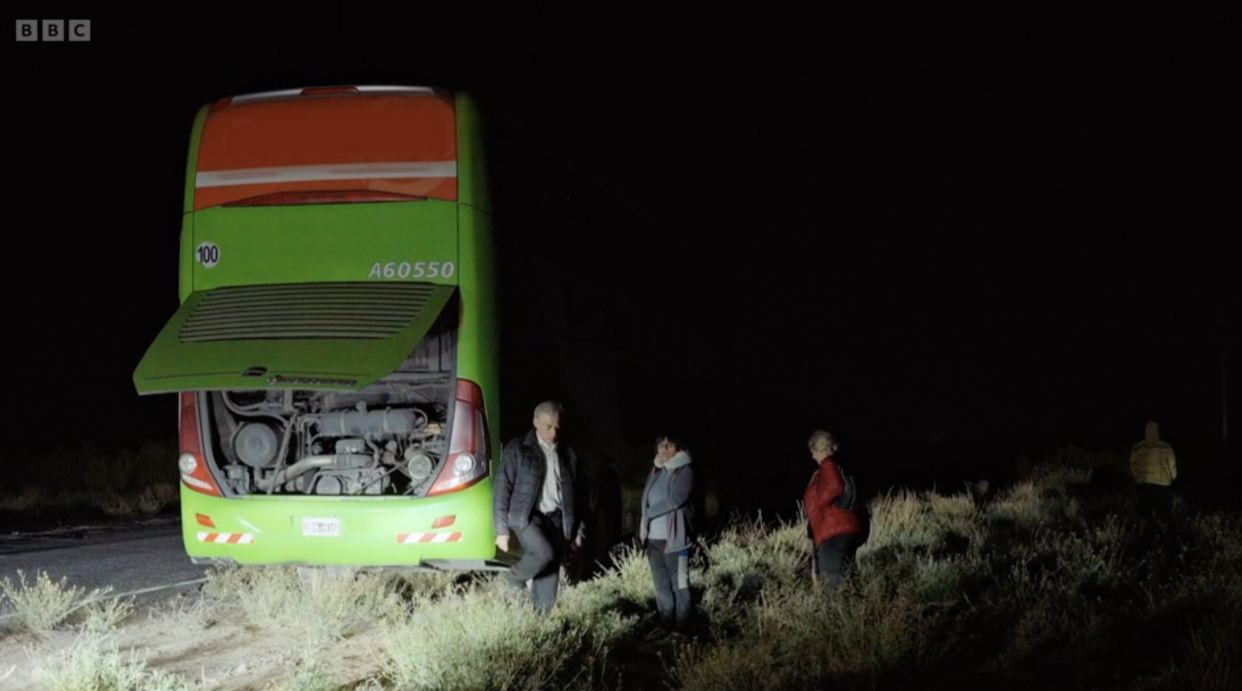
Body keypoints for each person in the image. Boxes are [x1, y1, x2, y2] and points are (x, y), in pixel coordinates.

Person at [492, 401, 588, 613]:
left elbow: (578, 496)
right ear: (536, 422)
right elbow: (501, 489)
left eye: (557, 427)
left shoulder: (567, 454)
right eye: (548, 426)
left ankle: (540, 623)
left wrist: (577, 531)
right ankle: (514, 578)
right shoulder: (518, 450)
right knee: (543, 552)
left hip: (556, 518)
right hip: (527, 517)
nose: (554, 432)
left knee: (550, 577)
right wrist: (501, 530)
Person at [638, 434, 696, 631]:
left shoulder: (684, 471)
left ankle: (682, 628)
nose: (663, 450)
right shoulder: (656, 471)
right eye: (660, 445)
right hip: (653, 540)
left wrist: (649, 513)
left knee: (679, 586)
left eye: (668, 445)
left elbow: (676, 499)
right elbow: (646, 498)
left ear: (678, 448)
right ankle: (665, 624)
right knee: (661, 586)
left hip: (675, 541)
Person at [803, 430, 861, 591]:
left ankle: (834, 614)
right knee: (847, 579)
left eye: (813, 451)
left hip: (833, 531)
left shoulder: (827, 464)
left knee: (831, 583)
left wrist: (818, 503)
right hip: (843, 529)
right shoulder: (836, 465)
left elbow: (835, 487)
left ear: (821, 450)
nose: (812, 456)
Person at [1130, 420, 1177, 523]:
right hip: (1163, 484)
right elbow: (1172, 465)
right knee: (1164, 515)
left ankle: (1145, 535)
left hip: (1143, 484)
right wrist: (1173, 477)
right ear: (1158, 431)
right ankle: (1163, 535)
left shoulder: (1137, 447)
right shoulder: (1166, 447)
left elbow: (1133, 466)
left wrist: (1137, 478)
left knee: (1145, 515)